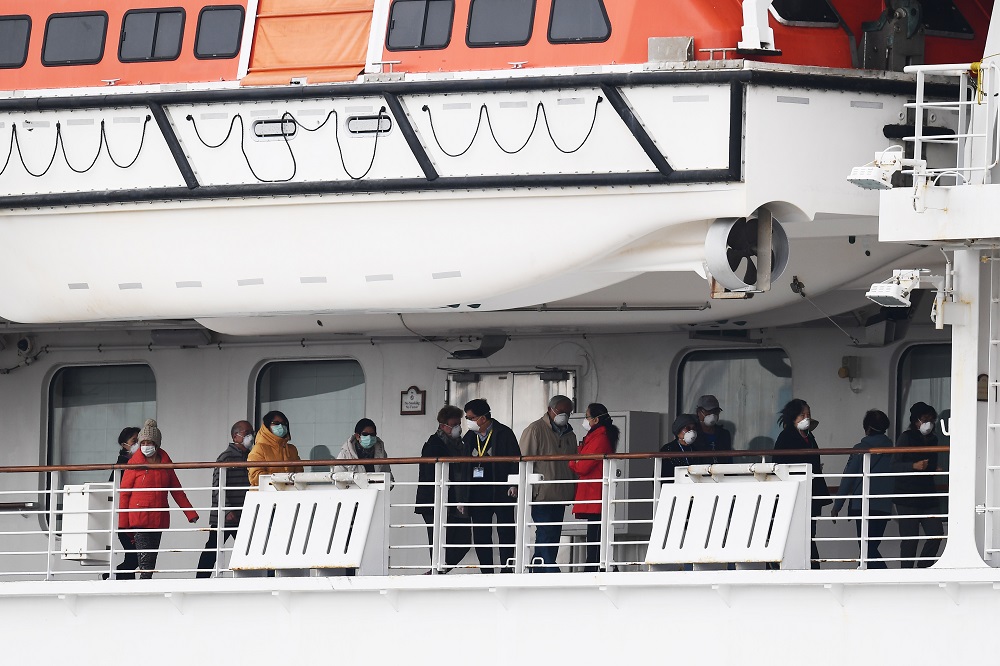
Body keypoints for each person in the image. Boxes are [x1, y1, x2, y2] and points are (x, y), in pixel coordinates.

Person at [118, 419, 199, 579]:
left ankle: (144, 589)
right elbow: (125, 494)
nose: (146, 446)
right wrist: (123, 524)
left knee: (151, 560)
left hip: (158, 518)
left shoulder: (166, 464)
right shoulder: (133, 464)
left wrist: (191, 513)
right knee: (145, 562)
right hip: (138, 518)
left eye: (149, 442)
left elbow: (177, 490)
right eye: (143, 442)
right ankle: (144, 592)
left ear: (157, 444)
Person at [461, 398, 521, 573]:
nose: (468, 421)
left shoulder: (504, 433)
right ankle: (486, 571)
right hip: (477, 491)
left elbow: (515, 459)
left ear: (483, 417)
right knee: (481, 534)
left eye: (471, 418)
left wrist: (514, 483)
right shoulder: (469, 437)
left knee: (506, 531)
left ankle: (507, 569)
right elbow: (463, 468)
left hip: (501, 489)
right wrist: (463, 496)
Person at [520, 395, 577, 572]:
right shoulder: (535, 430)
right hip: (541, 493)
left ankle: (538, 570)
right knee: (545, 532)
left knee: (553, 534)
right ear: (550, 409)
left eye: (568, 413)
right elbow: (522, 460)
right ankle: (550, 570)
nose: (564, 416)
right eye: (561, 412)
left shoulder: (570, 434)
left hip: (561, 494)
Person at [831, 409, 893, 568]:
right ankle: (866, 578)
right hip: (883, 506)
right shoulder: (892, 450)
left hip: (863, 505)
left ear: (868, 428)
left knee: (867, 549)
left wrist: (837, 506)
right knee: (870, 548)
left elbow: (848, 479)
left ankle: (885, 579)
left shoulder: (859, 449)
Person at [774, 399, 831, 569]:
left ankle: (810, 565)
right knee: (797, 532)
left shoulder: (809, 436)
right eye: (802, 415)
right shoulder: (786, 437)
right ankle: (807, 566)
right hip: (795, 492)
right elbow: (780, 461)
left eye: (808, 414)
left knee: (809, 532)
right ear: (793, 417)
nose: (806, 418)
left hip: (811, 491)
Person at [196, 420, 253, 578]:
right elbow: (217, 485)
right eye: (247, 433)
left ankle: (252, 578)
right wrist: (227, 509)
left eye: (252, 433)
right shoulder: (226, 457)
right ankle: (200, 580)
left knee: (248, 548)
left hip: (243, 514)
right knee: (213, 548)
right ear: (236, 436)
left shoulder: (251, 457)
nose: (251, 436)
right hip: (224, 515)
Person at [415, 406, 470, 570]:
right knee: (438, 542)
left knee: (463, 540)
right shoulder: (433, 445)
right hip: (435, 502)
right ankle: (436, 573)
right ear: (443, 425)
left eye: (459, 424)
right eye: (454, 424)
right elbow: (431, 474)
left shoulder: (460, 444)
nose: (457, 428)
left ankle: (439, 572)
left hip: (453, 501)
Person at [892, 401, 944, 568]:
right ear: (916, 421)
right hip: (907, 495)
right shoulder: (906, 437)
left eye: (931, 419)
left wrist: (933, 467)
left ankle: (923, 568)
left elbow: (930, 463)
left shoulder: (934, 439)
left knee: (936, 533)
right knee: (910, 539)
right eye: (925, 419)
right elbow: (893, 465)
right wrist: (912, 466)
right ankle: (907, 573)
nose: (928, 423)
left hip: (927, 494)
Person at [568, 404, 619, 570]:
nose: (586, 420)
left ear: (596, 420)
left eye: (587, 417)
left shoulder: (599, 438)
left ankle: (593, 567)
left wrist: (572, 460)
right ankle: (597, 566)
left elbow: (582, 466)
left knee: (595, 532)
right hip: (594, 490)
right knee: (596, 531)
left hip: (595, 491)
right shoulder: (598, 436)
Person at [109, 426, 140, 579]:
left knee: (133, 557)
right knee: (134, 557)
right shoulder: (121, 465)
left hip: (133, 517)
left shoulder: (136, 462)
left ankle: (119, 579)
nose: (138, 444)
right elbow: (113, 488)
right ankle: (110, 577)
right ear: (124, 444)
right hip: (123, 518)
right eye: (134, 441)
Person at [247, 410, 303, 486]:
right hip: (265, 494)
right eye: (276, 423)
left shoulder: (292, 449)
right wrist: (282, 481)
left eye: (284, 424)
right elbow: (255, 476)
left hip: (288, 493)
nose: (281, 426)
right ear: (266, 426)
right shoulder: (259, 448)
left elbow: (299, 473)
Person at [659, 414, 700, 482]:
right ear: (678, 431)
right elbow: (663, 474)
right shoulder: (668, 449)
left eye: (694, 428)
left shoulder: (696, 448)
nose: (691, 431)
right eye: (688, 428)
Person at [694, 394, 732, 464]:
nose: (712, 415)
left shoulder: (724, 434)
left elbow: (729, 459)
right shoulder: (693, 434)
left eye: (715, 411)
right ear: (699, 412)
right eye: (708, 411)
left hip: (720, 473)